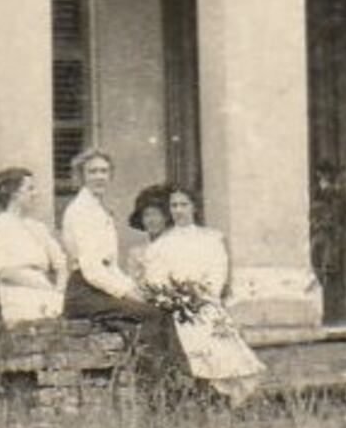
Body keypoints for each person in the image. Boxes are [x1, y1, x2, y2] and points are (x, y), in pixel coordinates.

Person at [133, 183, 265, 402]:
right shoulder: (161, 246)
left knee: (216, 333)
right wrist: (176, 298)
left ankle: (221, 393)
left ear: (194, 208)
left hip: (205, 302)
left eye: (184, 204)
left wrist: (203, 296)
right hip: (177, 307)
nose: (178, 210)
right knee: (194, 334)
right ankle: (201, 389)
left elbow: (217, 272)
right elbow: (156, 280)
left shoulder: (211, 239)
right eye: (174, 205)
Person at [56, 150, 163, 327]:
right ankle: (157, 356)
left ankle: (162, 356)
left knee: (157, 310)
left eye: (104, 171)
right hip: (84, 292)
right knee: (153, 315)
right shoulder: (81, 211)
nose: (100, 177)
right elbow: (92, 270)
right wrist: (126, 292)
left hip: (97, 288)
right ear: (81, 176)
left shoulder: (97, 209)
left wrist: (133, 288)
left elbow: (110, 265)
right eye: (92, 172)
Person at [0, 164, 69, 327]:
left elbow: (60, 262)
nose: (36, 194)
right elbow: (4, 271)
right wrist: (44, 287)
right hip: (18, 293)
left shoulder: (38, 228)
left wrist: (59, 290)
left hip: (48, 291)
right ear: (14, 193)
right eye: (30, 189)